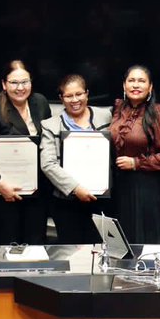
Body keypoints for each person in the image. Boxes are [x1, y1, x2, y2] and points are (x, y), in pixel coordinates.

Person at [0, 60, 52, 245]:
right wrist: (0, 183)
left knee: (36, 247)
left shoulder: (40, 103)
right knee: (8, 248)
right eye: (14, 83)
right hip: (6, 196)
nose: (20, 87)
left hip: (37, 195)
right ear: (4, 85)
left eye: (25, 82)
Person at [40, 74, 113, 244]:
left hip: (101, 200)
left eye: (79, 94)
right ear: (61, 98)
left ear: (87, 93)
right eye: (68, 96)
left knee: (100, 250)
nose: (75, 100)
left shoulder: (106, 117)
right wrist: (75, 188)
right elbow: (48, 164)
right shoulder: (50, 125)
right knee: (72, 253)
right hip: (67, 203)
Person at [111, 65, 160, 243]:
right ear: (124, 85)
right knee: (125, 240)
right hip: (122, 187)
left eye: (141, 81)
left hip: (149, 188)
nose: (136, 85)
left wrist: (136, 163)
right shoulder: (118, 109)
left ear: (150, 87)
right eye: (131, 81)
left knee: (148, 240)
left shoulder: (159, 113)